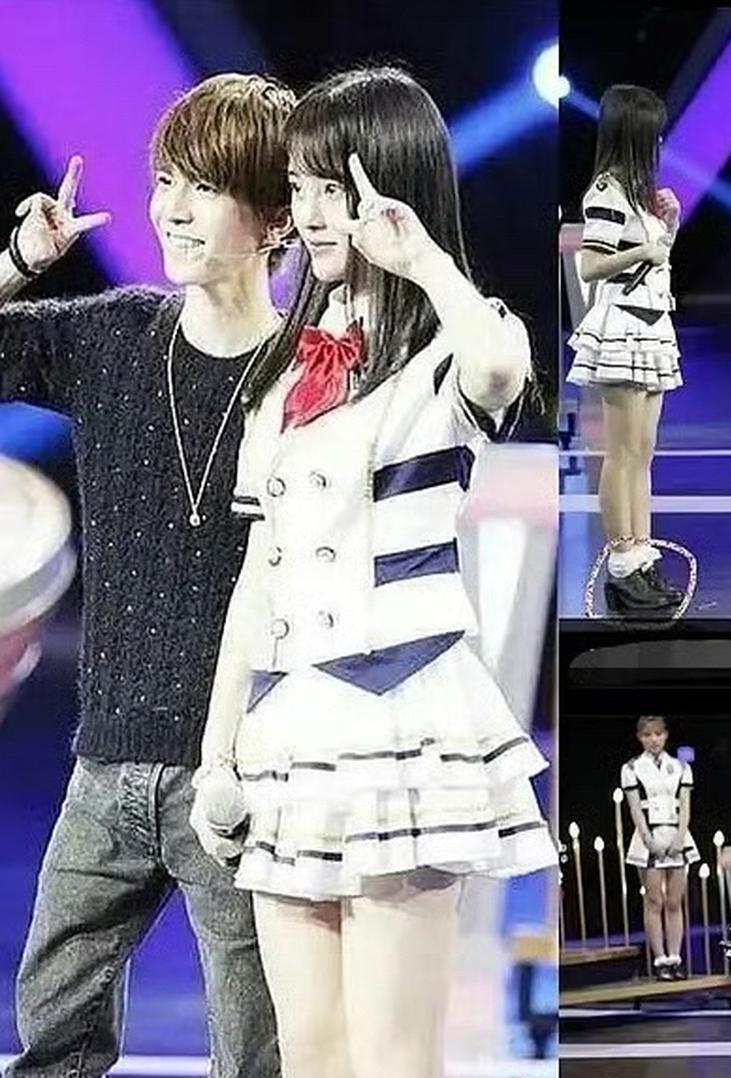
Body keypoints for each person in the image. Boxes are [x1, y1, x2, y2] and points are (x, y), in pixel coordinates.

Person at [187, 66, 557, 1078]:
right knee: (311, 1054)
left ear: (389, 186)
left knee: (394, 1058)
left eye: (332, 188)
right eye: (299, 188)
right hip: (291, 734)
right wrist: (219, 756)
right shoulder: (283, 377)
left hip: (402, 725)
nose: (311, 214)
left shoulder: (448, 348)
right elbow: (258, 577)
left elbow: (501, 371)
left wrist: (424, 258)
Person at [0, 73, 293, 1077]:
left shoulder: (310, 372)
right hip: (104, 768)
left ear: (274, 219)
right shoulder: (117, 336)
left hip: (243, 779)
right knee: (51, 1039)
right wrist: (18, 262)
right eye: (167, 179)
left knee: (257, 1056)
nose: (172, 207)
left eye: (204, 186)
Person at [566, 84, 684, 617]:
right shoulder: (606, 192)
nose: (659, 143)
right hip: (621, 328)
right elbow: (590, 265)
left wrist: (669, 228)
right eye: (653, 134)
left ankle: (642, 557)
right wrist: (644, 249)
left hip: (652, 326)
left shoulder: (637, 194)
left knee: (642, 451)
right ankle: (622, 565)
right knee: (622, 453)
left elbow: (655, 260)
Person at [619, 714, 700, 980]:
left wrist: (680, 837)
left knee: (675, 901)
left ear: (665, 735)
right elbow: (634, 808)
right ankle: (660, 959)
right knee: (654, 900)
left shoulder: (680, 767)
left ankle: (675, 957)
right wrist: (648, 839)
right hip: (649, 837)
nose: (653, 739)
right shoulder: (631, 768)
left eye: (657, 734)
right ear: (639, 738)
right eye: (647, 735)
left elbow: (685, 805)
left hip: (677, 834)